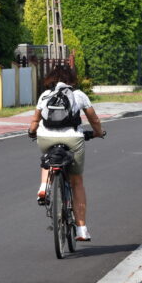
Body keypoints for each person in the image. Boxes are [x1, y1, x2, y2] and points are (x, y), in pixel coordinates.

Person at [27, 64, 105, 241]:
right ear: (72, 80)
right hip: (73, 138)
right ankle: (81, 229)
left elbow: (35, 120)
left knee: (47, 158)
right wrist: (99, 132)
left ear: (50, 79)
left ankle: (44, 187)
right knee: (76, 181)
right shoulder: (78, 95)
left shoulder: (45, 95)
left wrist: (32, 131)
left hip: (46, 137)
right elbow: (94, 119)